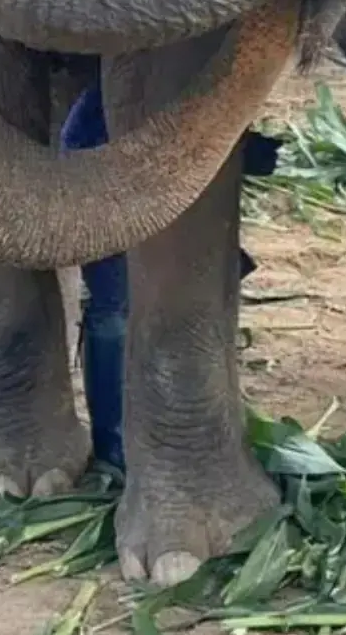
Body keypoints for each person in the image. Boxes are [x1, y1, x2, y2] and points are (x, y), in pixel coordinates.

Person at [61, 83, 279, 473]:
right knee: (113, 313)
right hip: (106, 194)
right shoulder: (109, 100)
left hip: (156, 193)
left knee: (149, 311)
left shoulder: (175, 85)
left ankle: (147, 430)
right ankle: (114, 443)